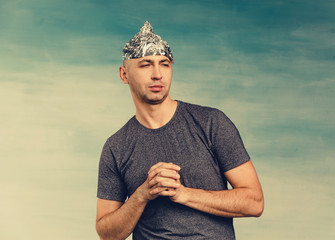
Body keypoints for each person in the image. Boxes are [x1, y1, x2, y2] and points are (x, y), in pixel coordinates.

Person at [96, 21, 264, 240]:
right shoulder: (116, 147)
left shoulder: (211, 123)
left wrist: (184, 194)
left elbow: (254, 202)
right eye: (146, 65)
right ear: (124, 74)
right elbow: (107, 233)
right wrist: (142, 195)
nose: (157, 74)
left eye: (164, 64)